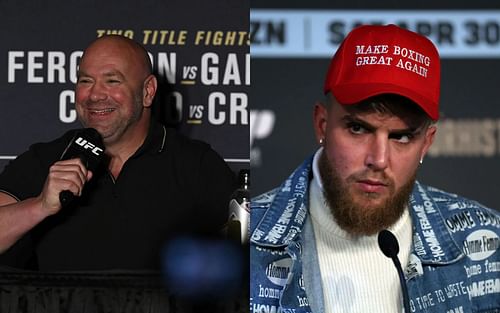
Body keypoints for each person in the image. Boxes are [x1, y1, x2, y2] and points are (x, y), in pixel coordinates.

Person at [250, 24, 500, 313]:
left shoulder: (487, 242)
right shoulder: (247, 239)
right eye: (358, 128)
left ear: (427, 143)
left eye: (401, 136)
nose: (379, 160)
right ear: (322, 124)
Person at [0, 35, 235, 271]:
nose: (95, 95)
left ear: (148, 91)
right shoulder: (45, 159)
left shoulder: (196, 165)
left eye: (112, 81)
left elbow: (245, 263)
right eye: (85, 81)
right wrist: (40, 205)